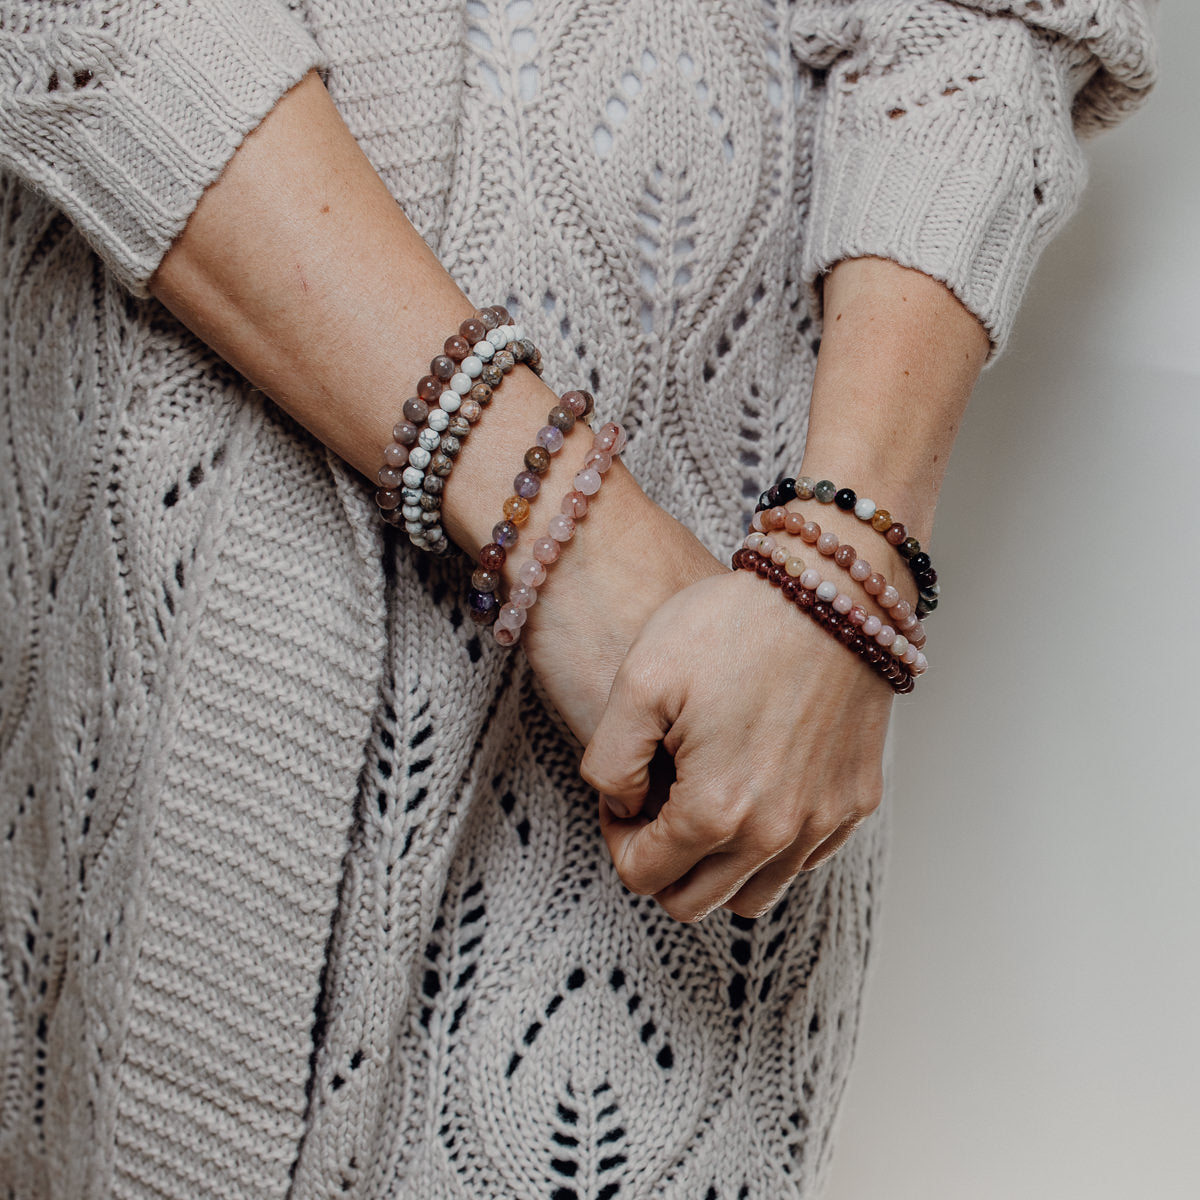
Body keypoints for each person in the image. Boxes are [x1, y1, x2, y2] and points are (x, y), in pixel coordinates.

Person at [0, 1, 1155, 1196]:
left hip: (726, 628)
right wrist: (568, 529)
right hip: (191, 562)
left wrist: (839, 560)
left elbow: (986, 25)